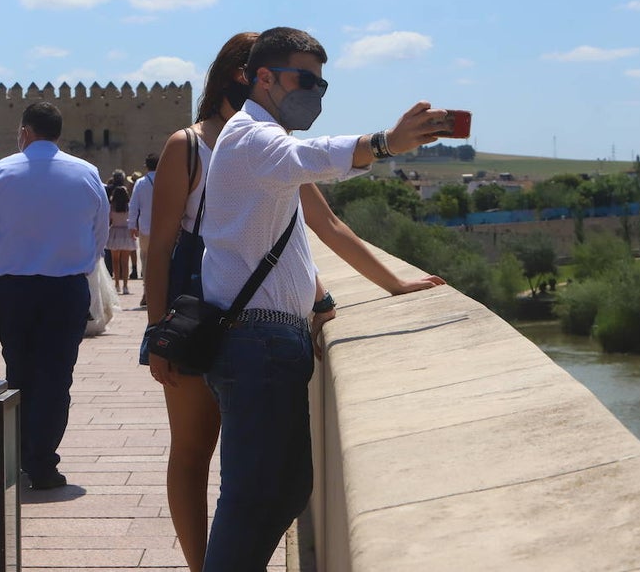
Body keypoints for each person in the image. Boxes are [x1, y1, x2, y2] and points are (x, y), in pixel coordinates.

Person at [143, 32, 445, 571]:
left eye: (321, 83)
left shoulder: (264, 145)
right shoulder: (253, 138)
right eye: (305, 80)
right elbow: (316, 156)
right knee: (252, 495)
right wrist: (385, 143)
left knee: (285, 490)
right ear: (263, 78)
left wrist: (378, 287)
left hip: (269, 341)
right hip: (253, 344)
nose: (316, 92)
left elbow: (307, 234)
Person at [0, 101, 110, 490]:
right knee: (57, 376)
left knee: (19, 372)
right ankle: (43, 461)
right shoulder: (88, 173)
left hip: (16, 289)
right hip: (66, 288)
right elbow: (100, 233)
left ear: (24, 132)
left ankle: (20, 454)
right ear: (58, 133)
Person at [127, 153, 158, 305]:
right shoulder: (166, 179)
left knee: (145, 261)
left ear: (146, 166)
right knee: (162, 260)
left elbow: (133, 206)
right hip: (163, 228)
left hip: (145, 229)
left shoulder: (140, 183)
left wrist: (132, 225)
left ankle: (147, 292)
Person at [107, 186, 134, 295]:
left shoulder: (111, 207)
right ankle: (126, 286)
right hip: (126, 233)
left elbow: (109, 220)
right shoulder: (128, 207)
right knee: (125, 261)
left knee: (115, 261)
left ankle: (117, 284)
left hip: (114, 232)